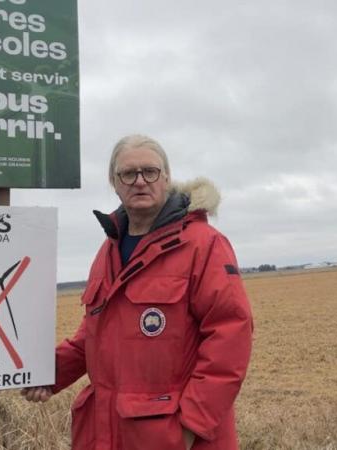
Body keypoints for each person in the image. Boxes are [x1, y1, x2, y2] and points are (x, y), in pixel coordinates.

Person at [22, 135, 253, 449]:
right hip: (109, 432)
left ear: (167, 178)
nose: (140, 181)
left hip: (176, 437)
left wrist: (190, 427)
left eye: (150, 171)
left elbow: (230, 337)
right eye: (128, 174)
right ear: (114, 183)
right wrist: (48, 373)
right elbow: (95, 333)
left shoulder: (203, 244)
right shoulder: (109, 250)